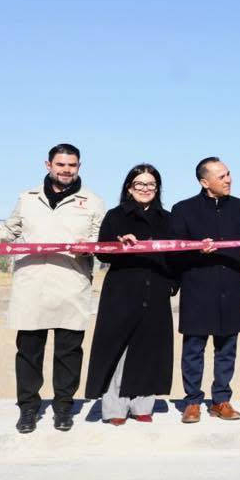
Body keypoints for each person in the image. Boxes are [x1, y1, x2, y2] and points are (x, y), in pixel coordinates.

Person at [0, 143, 104, 433]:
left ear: (79, 167)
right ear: (48, 165)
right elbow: (9, 229)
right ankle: (28, 408)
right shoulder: (27, 198)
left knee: (68, 352)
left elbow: (99, 240)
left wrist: (88, 247)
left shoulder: (91, 201)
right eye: (61, 164)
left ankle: (63, 408)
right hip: (31, 284)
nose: (66, 170)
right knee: (29, 351)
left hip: (71, 285)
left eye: (72, 165)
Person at [85, 165, 178, 426]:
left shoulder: (167, 218)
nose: (145, 189)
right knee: (118, 348)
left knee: (149, 348)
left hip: (156, 289)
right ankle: (114, 407)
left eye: (151, 184)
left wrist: (173, 281)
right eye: (140, 184)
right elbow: (101, 252)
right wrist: (118, 246)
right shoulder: (115, 216)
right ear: (129, 187)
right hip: (122, 290)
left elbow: (176, 254)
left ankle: (142, 405)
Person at [169, 157, 240, 423]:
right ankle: (192, 401)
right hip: (197, 288)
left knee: (227, 349)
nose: (228, 180)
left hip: (231, 287)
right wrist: (196, 249)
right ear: (205, 182)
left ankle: (221, 400)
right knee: (193, 348)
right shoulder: (183, 210)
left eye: (228, 174)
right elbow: (175, 251)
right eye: (221, 176)